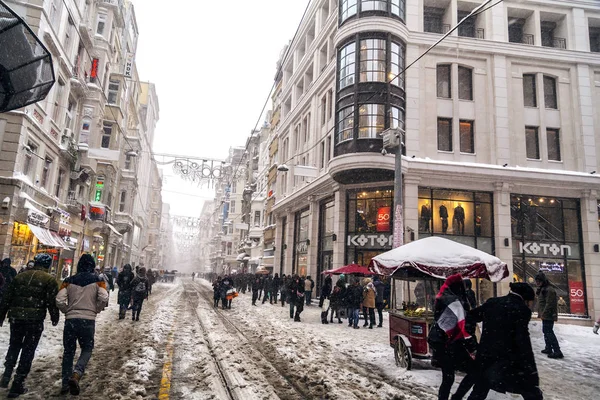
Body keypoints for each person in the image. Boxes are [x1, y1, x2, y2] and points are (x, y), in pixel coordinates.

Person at [466, 282, 542, 400]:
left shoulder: (493, 302)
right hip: (509, 360)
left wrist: (472, 341)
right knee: (531, 392)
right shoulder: (522, 310)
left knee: (479, 390)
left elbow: (470, 316)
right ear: (526, 299)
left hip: (486, 356)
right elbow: (523, 341)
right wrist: (530, 368)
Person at [0, 253, 59, 398]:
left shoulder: (20, 277)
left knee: (14, 345)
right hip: (34, 320)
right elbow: (51, 301)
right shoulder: (49, 280)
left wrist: (1, 315)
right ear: (48, 265)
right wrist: (54, 316)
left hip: (16, 317)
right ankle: (17, 383)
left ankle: (6, 375)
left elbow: (7, 297)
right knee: (28, 349)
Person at [56, 254, 109, 395]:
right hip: (88, 320)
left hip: (71, 321)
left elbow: (59, 300)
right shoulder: (98, 280)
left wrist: (67, 311)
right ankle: (76, 373)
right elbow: (104, 297)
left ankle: (64, 383)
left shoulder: (68, 280)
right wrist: (95, 309)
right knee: (87, 348)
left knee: (68, 351)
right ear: (92, 266)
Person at [428, 274, 475, 400]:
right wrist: (472, 348)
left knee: (448, 377)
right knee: (472, 371)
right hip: (449, 343)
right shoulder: (454, 301)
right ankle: (457, 397)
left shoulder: (443, 296)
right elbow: (463, 326)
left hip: (443, 341)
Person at [535, 271, 563, 359]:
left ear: (542, 281)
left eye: (538, 281)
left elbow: (549, 303)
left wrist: (544, 313)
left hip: (548, 315)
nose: (537, 283)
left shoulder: (549, 290)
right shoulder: (543, 289)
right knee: (546, 331)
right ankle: (549, 348)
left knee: (549, 332)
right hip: (546, 314)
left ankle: (557, 351)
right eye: (536, 281)